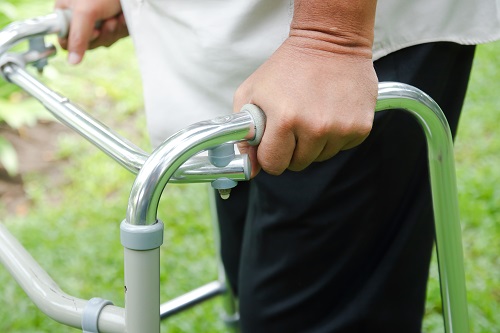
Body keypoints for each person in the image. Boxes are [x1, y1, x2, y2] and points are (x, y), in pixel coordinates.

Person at [55, 0, 500, 332]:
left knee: (298, 314)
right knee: (252, 284)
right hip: (234, 41)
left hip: (347, 45)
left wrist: (331, 36)